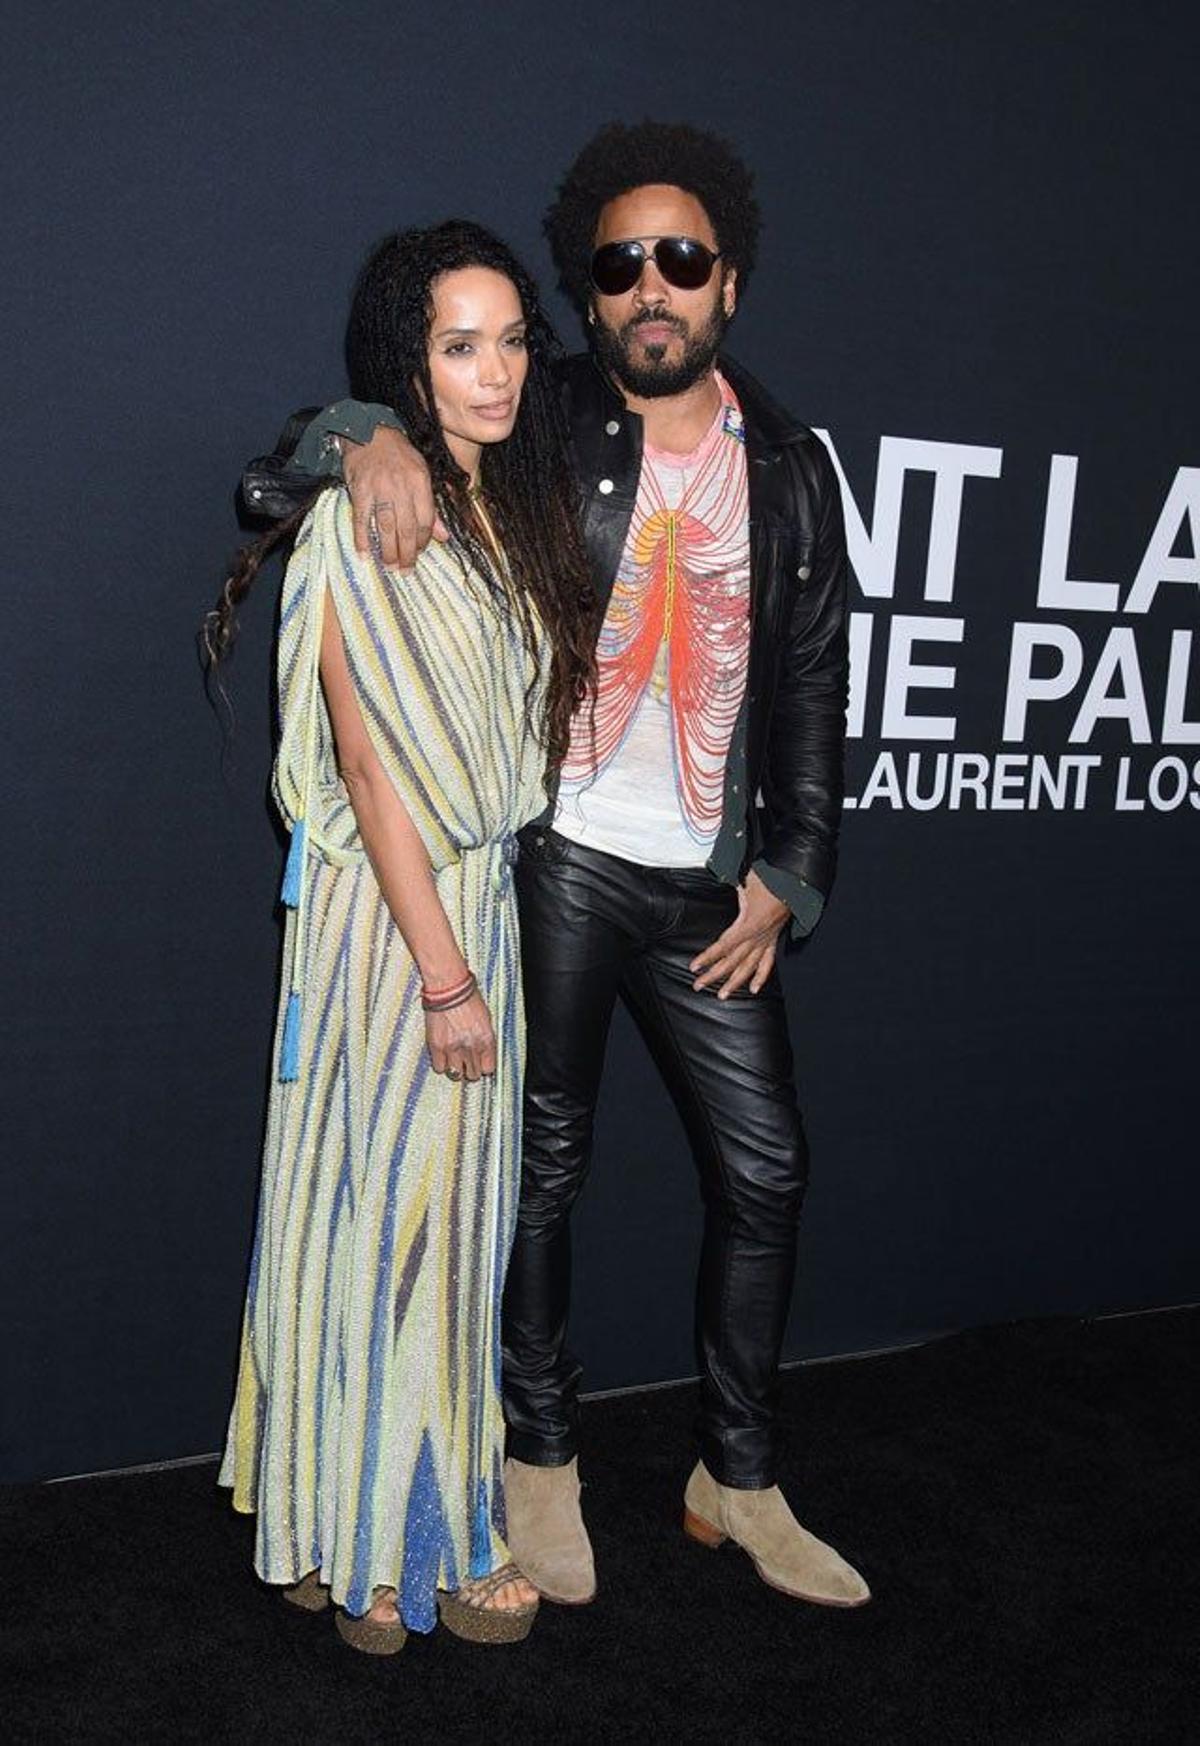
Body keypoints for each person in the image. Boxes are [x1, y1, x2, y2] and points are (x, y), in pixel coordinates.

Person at [243, 121, 870, 1611]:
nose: (652, 285)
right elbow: (340, 437)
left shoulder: (791, 464)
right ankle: (537, 1464)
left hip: (711, 880)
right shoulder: (546, 415)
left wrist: (794, 865)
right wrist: (359, 426)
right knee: (540, 1170)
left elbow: (816, 686)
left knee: (769, 1166)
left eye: (683, 260)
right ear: (592, 290)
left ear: (731, 282)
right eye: (619, 261)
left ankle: (740, 1471)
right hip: (563, 860)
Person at [206, 220, 595, 1653]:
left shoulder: (492, 513)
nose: (494, 372)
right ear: (405, 365)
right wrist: (443, 975)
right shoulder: (380, 512)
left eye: (510, 340)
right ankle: (397, 1552)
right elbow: (370, 766)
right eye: (457, 344)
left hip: (466, 903)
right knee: (395, 1232)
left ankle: (341, 1527)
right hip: (399, 931)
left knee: (395, 1228)